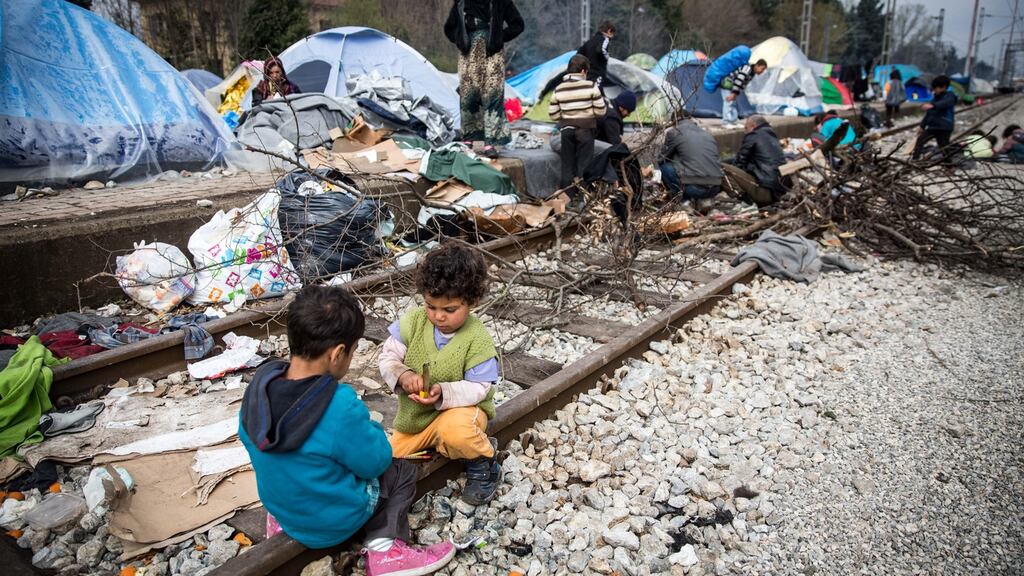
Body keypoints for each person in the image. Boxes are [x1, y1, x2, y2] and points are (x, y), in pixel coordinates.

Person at [239, 285, 455, 575]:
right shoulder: (338, 406)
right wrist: (372, 431)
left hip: (285, 510)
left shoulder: (258, 391)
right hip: (333, 522)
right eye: (353, 351)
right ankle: (385, 548)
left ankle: (277, 521)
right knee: (400, 470)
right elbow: (375, 461)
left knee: (302, 463)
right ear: (337, 354)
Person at [380, 243, 503, 506]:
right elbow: (387, 357)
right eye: (431, 306)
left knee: (455, 430)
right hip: (418, 420)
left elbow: (481, 387)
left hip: (461, 412)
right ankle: (444, 444)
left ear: (471, 301)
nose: (438, 316)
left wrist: (442, 393)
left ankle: (484, 459)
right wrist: (402, 374)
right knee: (386, 457)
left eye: (449, 310)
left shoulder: (476, 338)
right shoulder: (413, 322)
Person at [444, 0, 525, 157]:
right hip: (468, 54)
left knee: (492, 94)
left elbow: (518, 24)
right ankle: (469, 137)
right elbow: (449, 28)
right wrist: (460, 39)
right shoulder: (461, 2)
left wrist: (499, 38)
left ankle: (491, 142)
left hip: (492, 53)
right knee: (468, 95)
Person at [549, 54, 607, 194]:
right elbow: (601, 110)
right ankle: (583, 198)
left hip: (566, 131)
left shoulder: (559, 89)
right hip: (585, 131)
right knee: (584, 166)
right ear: (583, 72)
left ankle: (567, 200)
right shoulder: (591, 86)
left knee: (567, 166)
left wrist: (567, 115)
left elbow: (553, 115)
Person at [656, 110, 723, 202]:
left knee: (665, 167)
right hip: (715, 188)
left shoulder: (674, 132)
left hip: (695, 189)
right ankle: (704, 200)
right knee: (689, 159)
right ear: (690, 119)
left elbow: (662, 158)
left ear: (673, 122)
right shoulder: (706, 133)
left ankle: (685, 202)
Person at [721, 115, 787, 206]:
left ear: (753, 126)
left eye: (746, 128)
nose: (745, 132)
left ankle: (744, 200)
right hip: (777, 192)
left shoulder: (753, 136)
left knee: (720, 167)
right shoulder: (771, 136)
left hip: (764, 191)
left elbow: (739, 163)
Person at [911, 75, 957, 161]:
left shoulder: (950, 96)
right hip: (934, 126)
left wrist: (932, 105)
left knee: (944, 147)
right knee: (920, 140)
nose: (934, 91)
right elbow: (929, 113)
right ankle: (915, 160)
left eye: (936, 88)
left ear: (943, 87)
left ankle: (950, 165)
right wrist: (922, 126)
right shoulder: (936, 98)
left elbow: (944, 103)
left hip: (944, 127)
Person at [722, 59, 768, 126]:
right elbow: (739, 79)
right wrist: (734, 93)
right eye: (762, 69)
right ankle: (726, 122)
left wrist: (736, 93)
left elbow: (743, 84)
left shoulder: (752, 73)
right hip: (728, 83)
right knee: (728, 102)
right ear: (757, 65)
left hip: (734, 86)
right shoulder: (747, 68)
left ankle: (733, 121)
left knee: (734, 104)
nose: (762, 71)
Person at [577, 21, 616, 91]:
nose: (612, 37)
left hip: (587, 75)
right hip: (598, 74)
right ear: (609, 31)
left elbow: (579, 54)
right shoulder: (605, 39)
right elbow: (601, 50)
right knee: (598, 94)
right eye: (612, 34)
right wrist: (607, 58)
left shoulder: (589, 41)